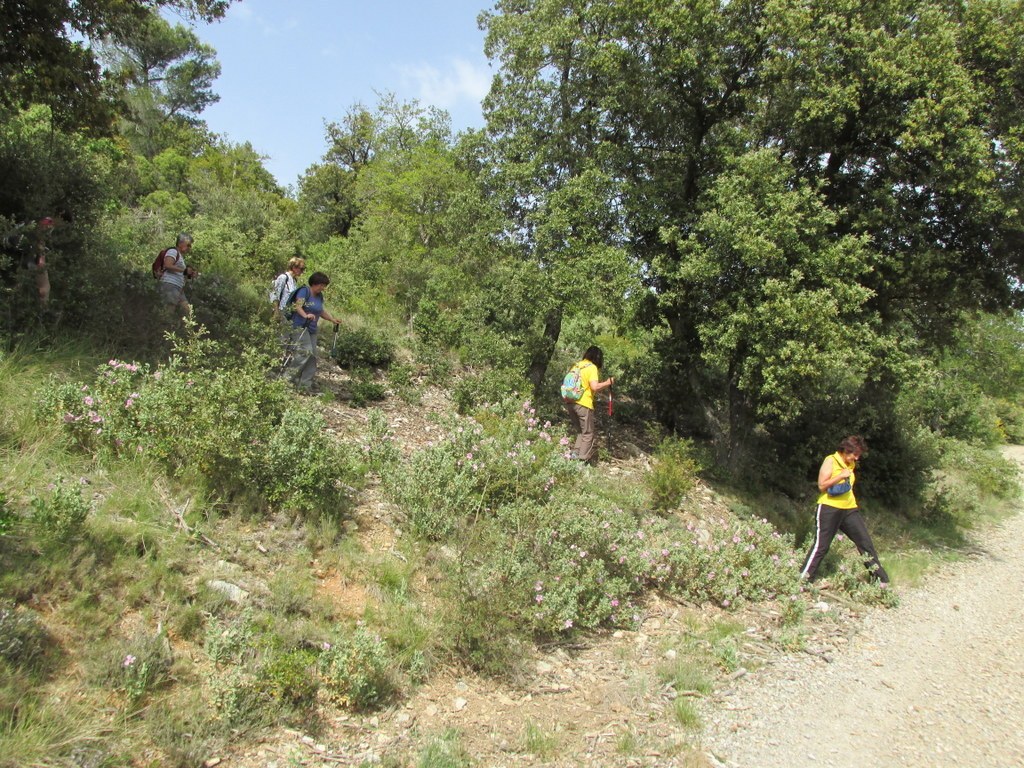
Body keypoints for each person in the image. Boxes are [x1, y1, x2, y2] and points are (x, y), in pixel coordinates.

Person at [800, 435, 890, 585]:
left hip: (849, 509)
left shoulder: (851, 464)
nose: (857, 458)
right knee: (821, 546)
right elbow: (822, 486)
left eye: (859, 455)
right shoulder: (831, 460)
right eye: (855, 454)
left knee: (865, 543)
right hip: (829, 508)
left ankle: (881, 581)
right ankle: (803, 579)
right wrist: (840, 476)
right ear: (846, 450)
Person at [285, 271, 341, 393]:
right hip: (300, 326)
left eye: (324, 285)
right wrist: (306, 315)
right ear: (314, 283)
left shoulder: (319, 296)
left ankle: (305, 386)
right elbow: (297, 306)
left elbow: (320, 311)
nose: (323, 288)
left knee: (313, 356)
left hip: (311, 329)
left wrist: (332, 319)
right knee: (305, 352)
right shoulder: (304, 291)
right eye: (321, 285)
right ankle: (286, 381)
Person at [563, 345, 614, 465]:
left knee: (580, 431)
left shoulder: (577, 365)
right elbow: (594, 387)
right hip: (584, 403)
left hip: (570, 402)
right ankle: (582, 461)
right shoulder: (592, 368)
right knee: (588, 433)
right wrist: (608, 382)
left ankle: (574, 455)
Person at [158, 233, 195, 316]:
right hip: (170, 285)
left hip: (178, 287)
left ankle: (184, 328)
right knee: (169, 310)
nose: (189, 248)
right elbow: (167, 265)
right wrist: (184, 270)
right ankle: (164, 327)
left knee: (188, 311)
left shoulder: (180, 257)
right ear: (180, 243)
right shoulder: (173, 251)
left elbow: (181, 272)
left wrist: (190, 274)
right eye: (188, 245)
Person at [269, 257, 306, 322]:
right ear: (294, 267)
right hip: (280, 312)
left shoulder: (294, 281)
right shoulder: (283, 277)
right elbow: (274, 294)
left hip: (287, 314)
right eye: (301, 269)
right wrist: (276, 311)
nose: (302, 271)